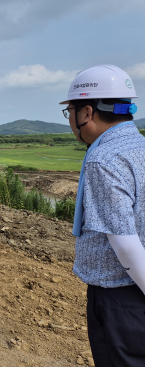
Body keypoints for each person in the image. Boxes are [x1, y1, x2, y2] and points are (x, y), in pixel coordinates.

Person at [59, 64, 145, 366]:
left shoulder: (103, 158)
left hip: (122, 296)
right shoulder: (139, 145)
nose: (70, 119)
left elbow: (125, 243)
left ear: (86, 112)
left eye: (69, 111)